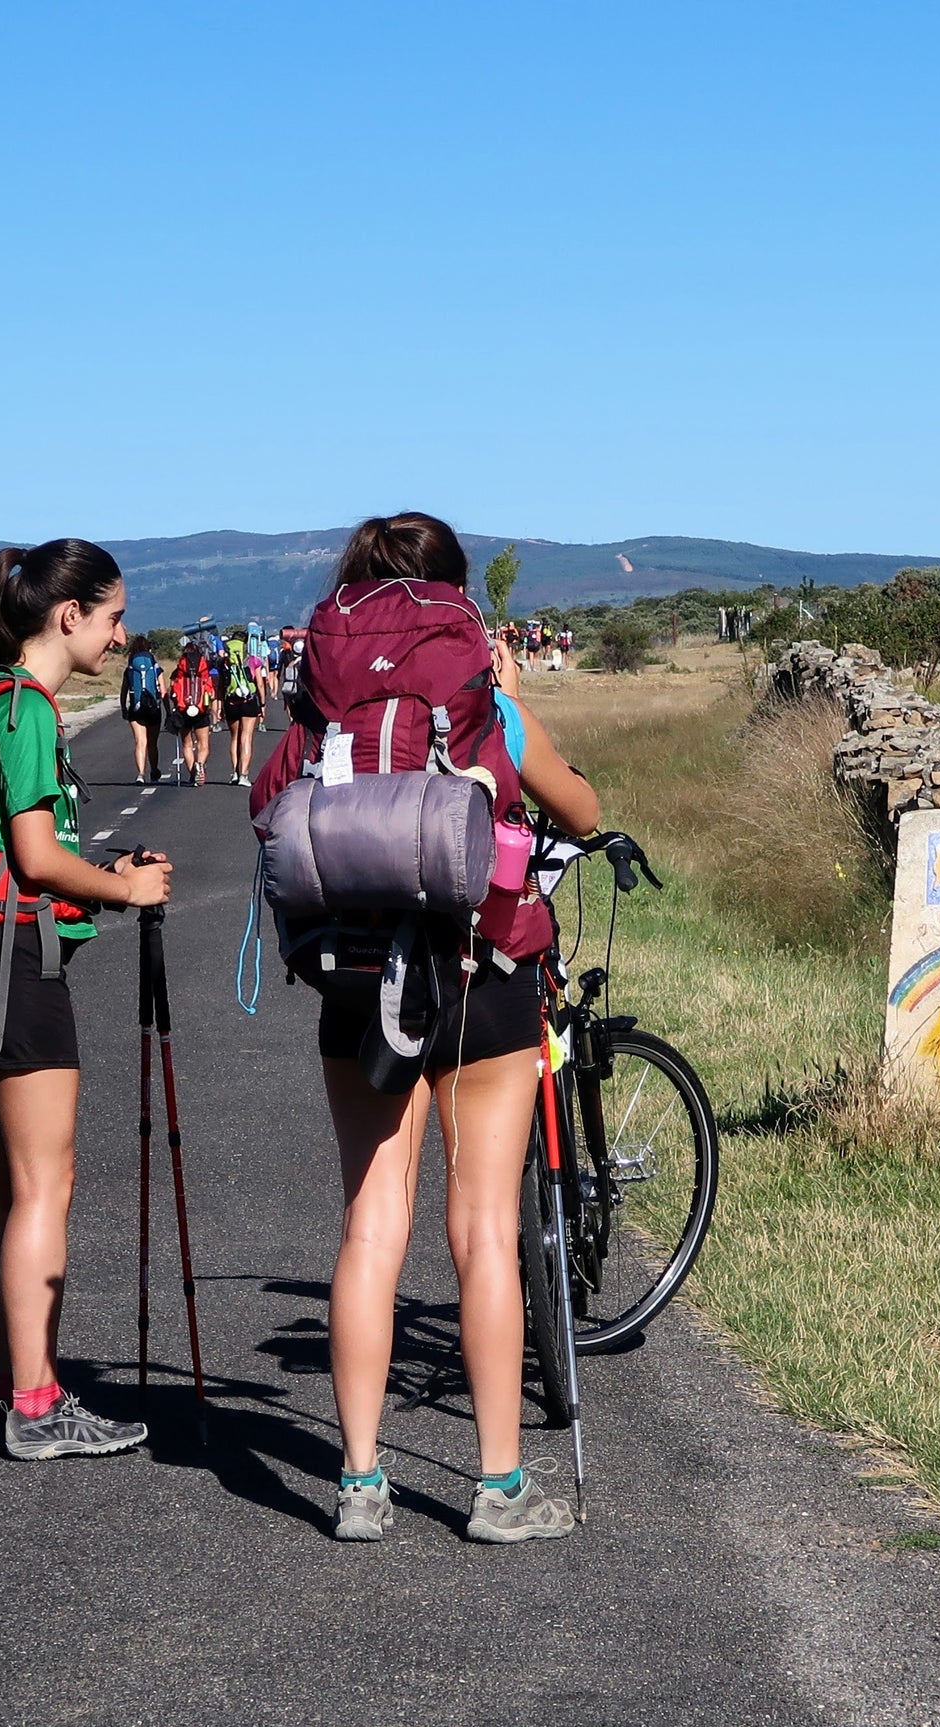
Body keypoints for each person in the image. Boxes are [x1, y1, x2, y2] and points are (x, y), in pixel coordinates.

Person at [249, 513, 602, 1545]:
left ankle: (358, 1480)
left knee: (369, 1224)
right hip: (480, 973)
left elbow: (271, 809)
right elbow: (577, 808)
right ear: (454, 601)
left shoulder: (317, 705)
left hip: (356, 978)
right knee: (483, 1227)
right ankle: (497, 1489)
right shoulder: (483, 702)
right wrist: (510, 713)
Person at [0, 539, 173, 1458]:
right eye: (113, 617)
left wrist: (99, 871)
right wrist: (126, 890)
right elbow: (36, 858)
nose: (120, 637)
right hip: (15, 963)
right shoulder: (30, 710)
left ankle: (5, 1389)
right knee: (44, 1184)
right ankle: (36, 1404)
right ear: (66, 614)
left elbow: (11, 847)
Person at [119, 639, 164, 784]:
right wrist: (169, 712)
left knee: (140, 742)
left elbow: (124, 691)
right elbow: (163, 691)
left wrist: (124, 709)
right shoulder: (155, 667)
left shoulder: (130, 668)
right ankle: (154, 771)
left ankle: (140, 774)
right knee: (152, 743)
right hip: (153, 708)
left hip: (135, 708)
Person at [170, 638, 213, 784]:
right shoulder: (204, 671)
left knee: (187, 744)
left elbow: (173, 692)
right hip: (201, 710)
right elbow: (211, 692)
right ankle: (200, 764)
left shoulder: (178, 671)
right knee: (203, 744)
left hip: (183, 710)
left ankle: (192, 774)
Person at [221, 629, 260, 783]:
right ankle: (244, 774)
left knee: (234, 738)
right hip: (248, 700)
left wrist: (218, 707)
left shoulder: (224, 662)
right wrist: (262, 703)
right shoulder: (252, 660)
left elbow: (220, 686)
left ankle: (235, 772)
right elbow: (260, 684)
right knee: (246, 738)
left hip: (231, 700)